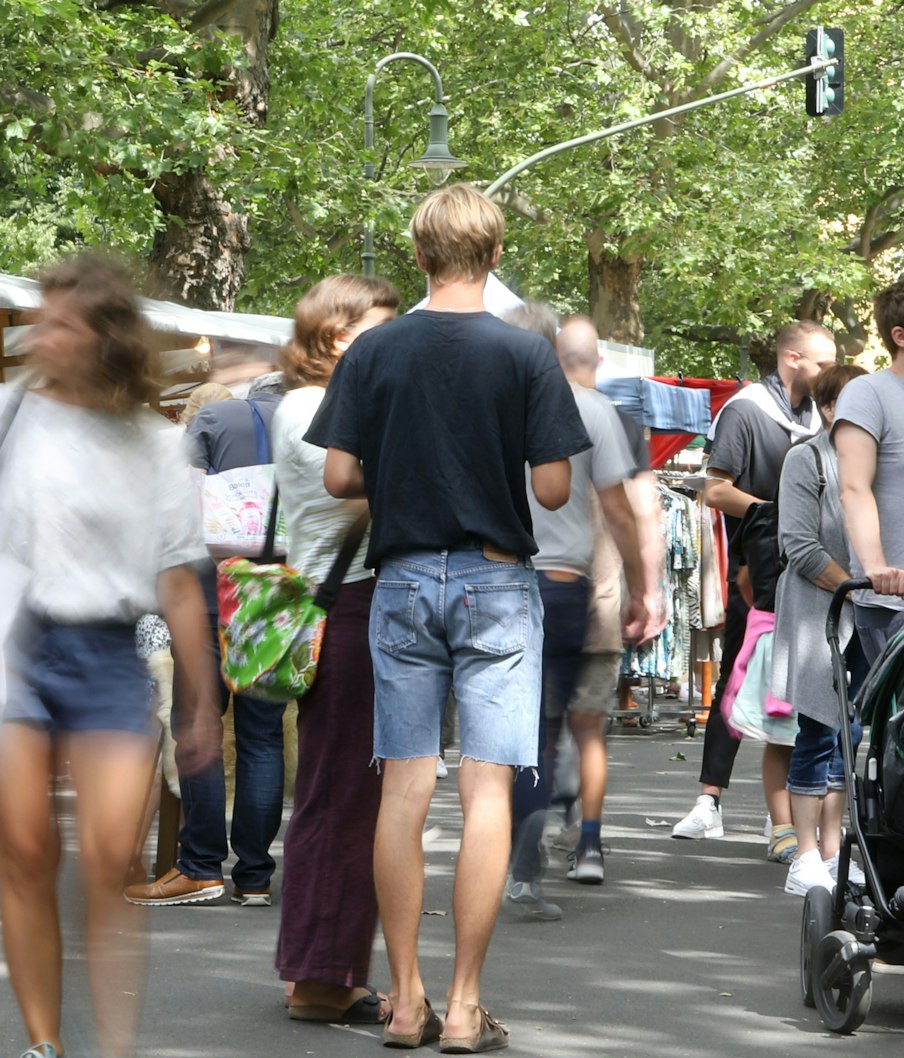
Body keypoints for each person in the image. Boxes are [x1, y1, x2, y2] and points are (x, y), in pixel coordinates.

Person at [0, 255, 217, 1058]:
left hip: (107, 655)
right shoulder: (1, 410)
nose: (40, 335)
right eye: (42, 317)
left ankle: (116, 1044)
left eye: (61, 323)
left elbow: (178, 585)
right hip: (11, 649)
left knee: (107, 861)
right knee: (27, 852)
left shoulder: (157, 445)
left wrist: (201, 701)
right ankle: (43, 1044)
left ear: (107, 339)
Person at [305, 184, 590, 1052]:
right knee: (488, 787)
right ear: (495, 254)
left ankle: (403, 1000)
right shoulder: (525, 355)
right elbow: (552, 488)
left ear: (418, 256)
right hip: (497, 583)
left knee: (404, 788)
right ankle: (465, 1006)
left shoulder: (374, 351)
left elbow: (337, 477)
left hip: (398, 581)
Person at [268, 274, 399, 1023]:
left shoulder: (312, 402)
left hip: (343, 603)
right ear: (340, 336)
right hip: (347, 605)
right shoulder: (315, 407)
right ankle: (321, 975)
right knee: (343, 797)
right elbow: (359, 484)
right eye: (383, 327)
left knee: (340, 793)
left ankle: (319, 967)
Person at [125, 338, 284, 909]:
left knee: (199, 728)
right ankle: (256, 875)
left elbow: (180, 499)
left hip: (214, 587)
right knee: (263, 735)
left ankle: (200, 866)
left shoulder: (215, 416)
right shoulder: (305, 418)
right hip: (276, 589)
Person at [501, 309, 648, 920]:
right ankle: (523, 874)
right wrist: (641, 586)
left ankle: (499, 859)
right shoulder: (590, 409)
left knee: (497, 737)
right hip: (560, 584)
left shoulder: (485, 401)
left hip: (488, 579)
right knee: (543, 730)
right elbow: (618, 510)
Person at [672, 322, 836, 860]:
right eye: (822, 362)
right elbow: (715, 489)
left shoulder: (821, 416)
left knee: (799, 692)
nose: (830, 373)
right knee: (740, 680)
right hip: (759, 568)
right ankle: (709, 798)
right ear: (792, 358)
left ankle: (788, 820)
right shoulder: (745, 410)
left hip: (807, 567)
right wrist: (774, 514)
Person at [555, 316, 665, 898]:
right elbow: (642, 512)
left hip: (535, 592)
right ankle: (590, 842)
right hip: (600, 596)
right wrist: (651, 591)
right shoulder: (619, 420)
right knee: (591, 731)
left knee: (536, 729)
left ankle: (526, 845)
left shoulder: (531, 409)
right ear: (598, 360)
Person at [773, 364, 867, 894]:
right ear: (827, 408)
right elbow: (800, 546)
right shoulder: (805, 458)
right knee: (817, 732)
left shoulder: (877, 459)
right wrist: (857, 587)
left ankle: (834, 850)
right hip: (819, 614)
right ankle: (805, 854)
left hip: (869, 612)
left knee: (850, 736)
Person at [837, 281, 904, 693]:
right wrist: (876, 567)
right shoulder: (868, 393)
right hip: (892, 604)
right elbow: (854, 488)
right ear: (899, 335)